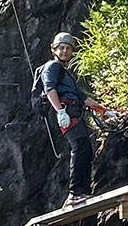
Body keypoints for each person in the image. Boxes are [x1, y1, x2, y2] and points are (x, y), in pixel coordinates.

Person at [38, 32, 116, 208]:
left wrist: (105, 111)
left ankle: (83, 191)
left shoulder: (66, 74)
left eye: (68, 49)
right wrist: (60, 111)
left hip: (72, 111)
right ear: (54, 49)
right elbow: (50, 89)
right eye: (62, 48)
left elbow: (83, 97)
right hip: (65, 112)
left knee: (85, 149)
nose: (65, 51)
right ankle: (75, 193)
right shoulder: (51, 67)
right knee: (80, 147)